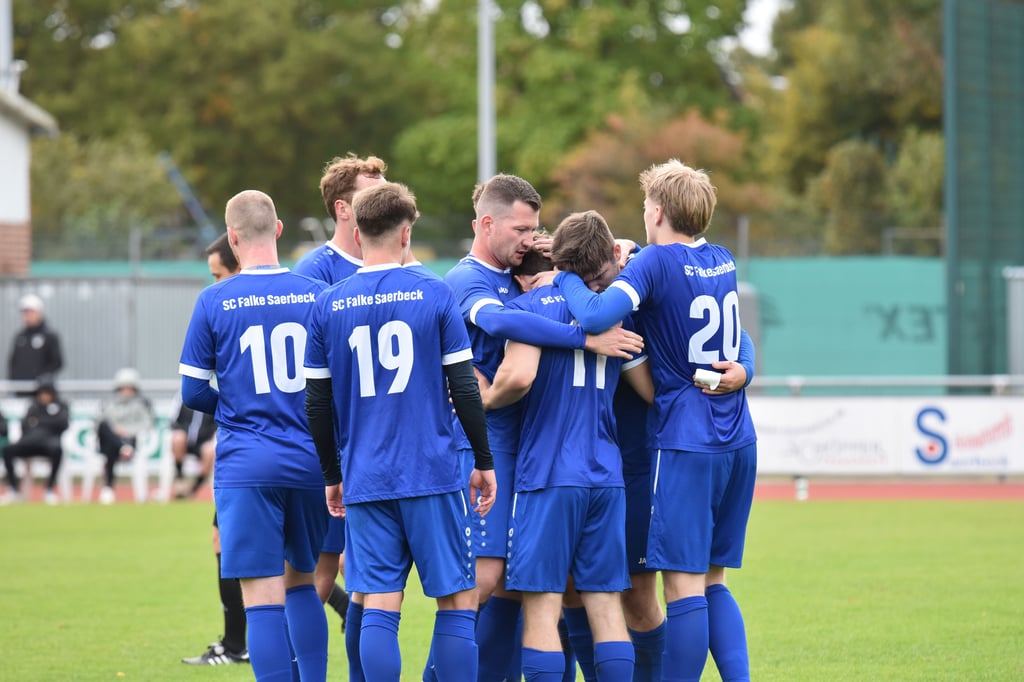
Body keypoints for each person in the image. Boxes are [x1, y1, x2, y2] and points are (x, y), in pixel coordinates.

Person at [554, 160, 759, 682]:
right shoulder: (722, 259)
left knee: (683, 586)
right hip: (738, 436)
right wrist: (748, 369)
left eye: (646, 206)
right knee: (715, 580)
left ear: (659, 211)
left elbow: (597, 317)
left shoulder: (654, 264)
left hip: (686, 440)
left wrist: (567, 277)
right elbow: (739, 342)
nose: (644, 214)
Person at [442, 174, 644, 682]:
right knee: (601, 606)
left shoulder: (527, 304)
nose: (530, 240)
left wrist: (484, 396)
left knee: (538, 603)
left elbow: (519, 374)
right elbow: (648, 386)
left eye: (536, 232)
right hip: (605, 471)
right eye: (524, 229)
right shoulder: (613, 316)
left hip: (545, 469)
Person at [304, 181, 497, 682]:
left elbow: (316, 403)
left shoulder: (328, 304)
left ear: (357, 229)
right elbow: (465, 388)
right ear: (407, 231)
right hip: (431, 473)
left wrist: (332, 472)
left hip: (366, 476)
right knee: (456, 602)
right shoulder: (435, 293)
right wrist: (483, 460)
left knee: (380, 607)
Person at [179, 189, 330, 681]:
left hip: (246, 462)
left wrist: (234, 410)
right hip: (312, 459)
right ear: (280, 230)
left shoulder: (214, 299)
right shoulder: (316, 295)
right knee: (304, 584)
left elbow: (193, 390)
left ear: (234, 238)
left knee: (260, 596)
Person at [294, 153, 387, 647]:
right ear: (343, 208)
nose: (385, 201)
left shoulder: (400, 262)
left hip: (391, 452)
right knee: (322, 575)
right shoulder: (316, 271)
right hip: (340, 455)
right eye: (373, 194)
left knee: (376, 586)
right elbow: (311, 378)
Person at [180, 231, 249, 667]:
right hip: (297, 449)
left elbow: (194, 389)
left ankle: (235, 644)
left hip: (245, 451)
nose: (213, 284)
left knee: (228, 542)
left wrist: (233, 409)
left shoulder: (223, 307)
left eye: (217, 274)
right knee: (300, 564)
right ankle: (236, 642)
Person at [1, 379, 70, 505]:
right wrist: (48, 422)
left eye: (47, 393)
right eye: (42, 393)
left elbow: (63, 423)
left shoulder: (61, 406)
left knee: (57, 450)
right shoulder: (33, 406)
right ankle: (14, 489)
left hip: (49, 444)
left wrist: (39, 423)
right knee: (7, 450)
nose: (44, 396)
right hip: (30, 443)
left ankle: (49, 489)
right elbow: (25, 425)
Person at [96, 367, 155, 505]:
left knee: (112, 447)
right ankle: (122, 448)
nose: (126, 391)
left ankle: (108, 487)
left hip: (131, 441)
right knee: (105, 430)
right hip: (111, 444)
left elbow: (146, 424)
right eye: (123, 388)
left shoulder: (141, 405)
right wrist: (116, 431)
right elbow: (100, 423)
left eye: (130, 388)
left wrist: (126, 431)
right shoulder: (108, 404)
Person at [7, 293, 64, 396]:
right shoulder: (20, 337)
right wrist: (14, 380)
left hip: (41, 394)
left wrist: (42, 379)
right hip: (21, 391)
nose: (28, 316)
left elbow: (57, 362)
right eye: (25, 313)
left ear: (39, 312)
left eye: (31, 312)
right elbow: (13, 362)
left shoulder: (49, 336)